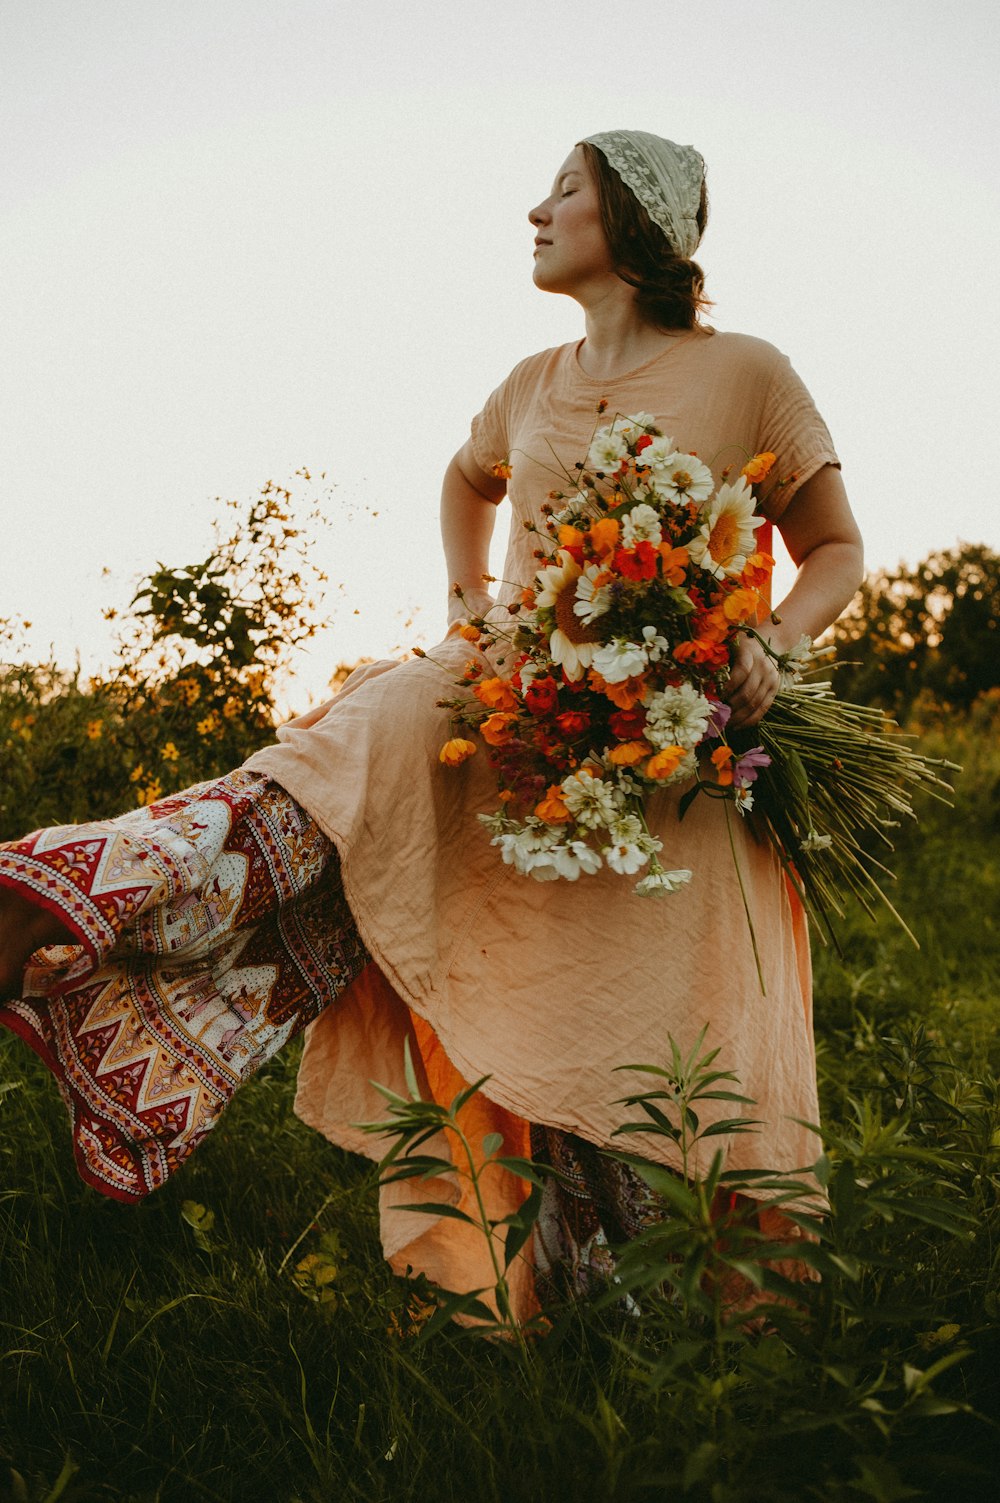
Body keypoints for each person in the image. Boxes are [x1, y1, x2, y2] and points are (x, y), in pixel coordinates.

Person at [0, 131, 863, 1319]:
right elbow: (468, 478)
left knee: (621, 1009)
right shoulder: (529, 383)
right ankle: (90, 895)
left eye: (566, 191)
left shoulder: (749, 372)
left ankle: (634, 1295)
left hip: (676, 754)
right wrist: (470, 604)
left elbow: (834, 549)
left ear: (638, 222)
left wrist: (773, 643)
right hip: (509, 716)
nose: (537, 210)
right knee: (371, 767)